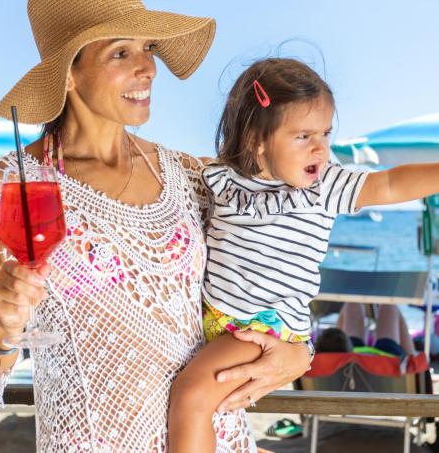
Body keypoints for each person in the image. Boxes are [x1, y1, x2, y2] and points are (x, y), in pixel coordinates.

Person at [0, 0, 311, 453]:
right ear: (69, 75)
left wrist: (297, 350)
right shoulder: (10, 183)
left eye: (148, 48)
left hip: (214, 439)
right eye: (122, 52)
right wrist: (4, 327)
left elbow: (269, 267)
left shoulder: (189, 175)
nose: (148, 67)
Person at [167, 57, 439, 453]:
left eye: (326, 134)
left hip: (262, 328)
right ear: (256, 140)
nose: (320, 147)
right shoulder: (222, 178)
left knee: (191, 398)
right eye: (303, 135)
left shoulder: (325, 185)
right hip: (218, 323)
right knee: (206, 406)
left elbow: (392, 184)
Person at [315, 302, 416, 358]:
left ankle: (333, 360)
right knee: (389, 305)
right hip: (387, 362)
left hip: (345, 362)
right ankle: (413, 358)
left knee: (352, 304)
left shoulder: (312, 372)